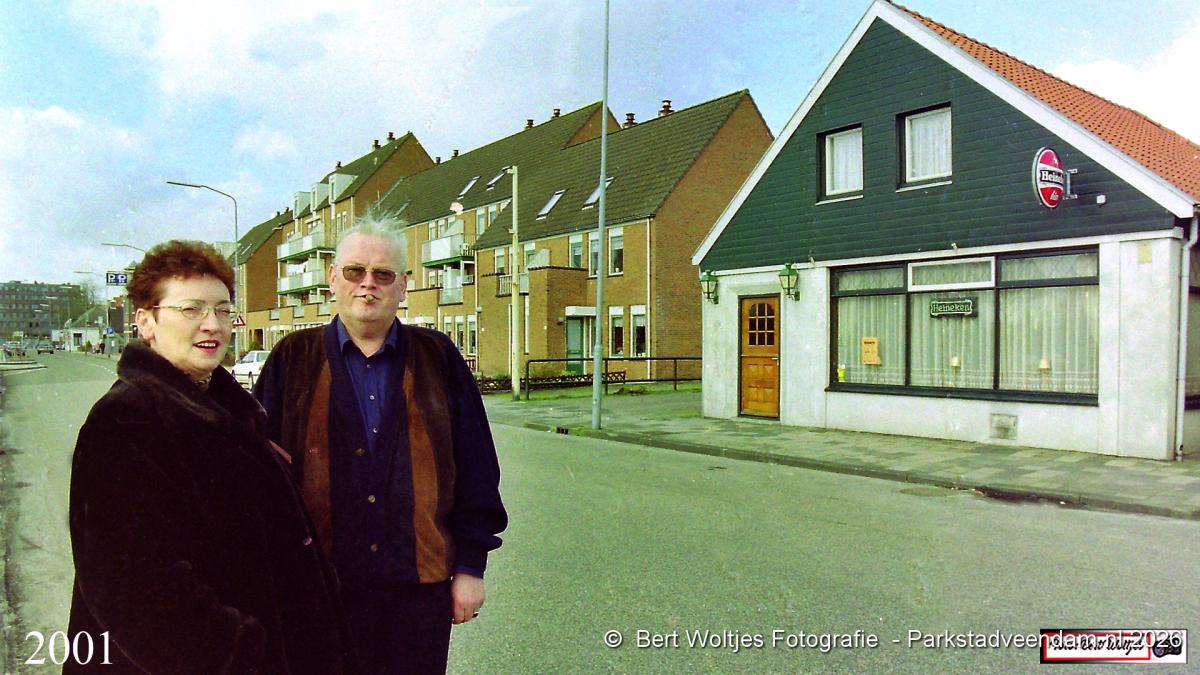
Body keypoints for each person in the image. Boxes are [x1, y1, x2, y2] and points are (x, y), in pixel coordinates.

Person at [65, 240, 355, 674]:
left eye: (222, 311)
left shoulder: (226, 410)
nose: (213, 325)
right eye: (191, 309)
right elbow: (135, 590)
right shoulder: (127, 420)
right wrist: (243, 654)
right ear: (146, 322)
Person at [254, 214, 507, 674]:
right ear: (333, 277)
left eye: (383, 274)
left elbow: (477, 468)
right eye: (355, 271)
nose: (368, 284)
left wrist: (471, 568)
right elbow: (259, 478)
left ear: (403, 285)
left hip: (418, 591)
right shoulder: (292, 359)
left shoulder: (438, 358)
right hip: (318, 592)